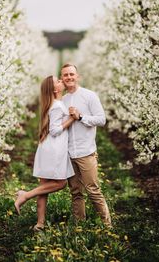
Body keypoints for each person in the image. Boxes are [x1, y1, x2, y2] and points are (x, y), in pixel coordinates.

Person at [14, 75, 75, 231]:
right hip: (54, 149)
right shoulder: (56, 106)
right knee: (60, 183)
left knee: (44, 186)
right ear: (55, 89)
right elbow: (55, 130)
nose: (62, 81)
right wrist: (72, 119)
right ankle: (25, 196)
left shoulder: (55, 104)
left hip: (48, 147)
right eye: (59, 81)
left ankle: (40, 223)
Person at [61, 63, 112, 227]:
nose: (69, 77)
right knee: (75, 192)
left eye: (71, 74)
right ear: (62, 78)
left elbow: (101, 120)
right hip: (69, 153)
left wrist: (81, 116)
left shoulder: (89, 96)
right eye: (65, 75)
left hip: (86, 152)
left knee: (93, 190)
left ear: (77, 76)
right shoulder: (62, 100)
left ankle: (107, 225)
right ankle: (79, 226)